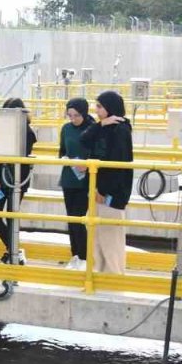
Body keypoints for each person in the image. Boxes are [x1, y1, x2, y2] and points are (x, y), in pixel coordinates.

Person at [80, 90, 134, 274]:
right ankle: (99, 272)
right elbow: (84, 139)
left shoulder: (120, 130)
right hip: (98, 190)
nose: (96, 109)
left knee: (110, 238)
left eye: (100, 106)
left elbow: (116, 165)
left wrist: (103, 190)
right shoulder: (105, 127)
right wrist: (101, 124)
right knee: (96, 235)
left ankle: (113, 275)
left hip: (110, 194)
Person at [0, 98, 37, 265]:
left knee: (11, 215)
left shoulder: (28, 133)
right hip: (1, 180)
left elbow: (20, 156)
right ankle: (13, 248)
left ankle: (14, 251)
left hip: (18, 181)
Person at [58, 97, 93, 268]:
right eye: (70, 115)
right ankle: (76, 255)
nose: (73, 119)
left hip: (85, 180)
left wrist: (86, 165)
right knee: (71, 219)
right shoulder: (66, 129)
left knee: (78, 219)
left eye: (76, 115)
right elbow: (62, 151)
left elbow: (98, 152)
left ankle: (84, 257)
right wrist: (66, 159)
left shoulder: (92, 129)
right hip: (69, 178)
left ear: (84, 114)